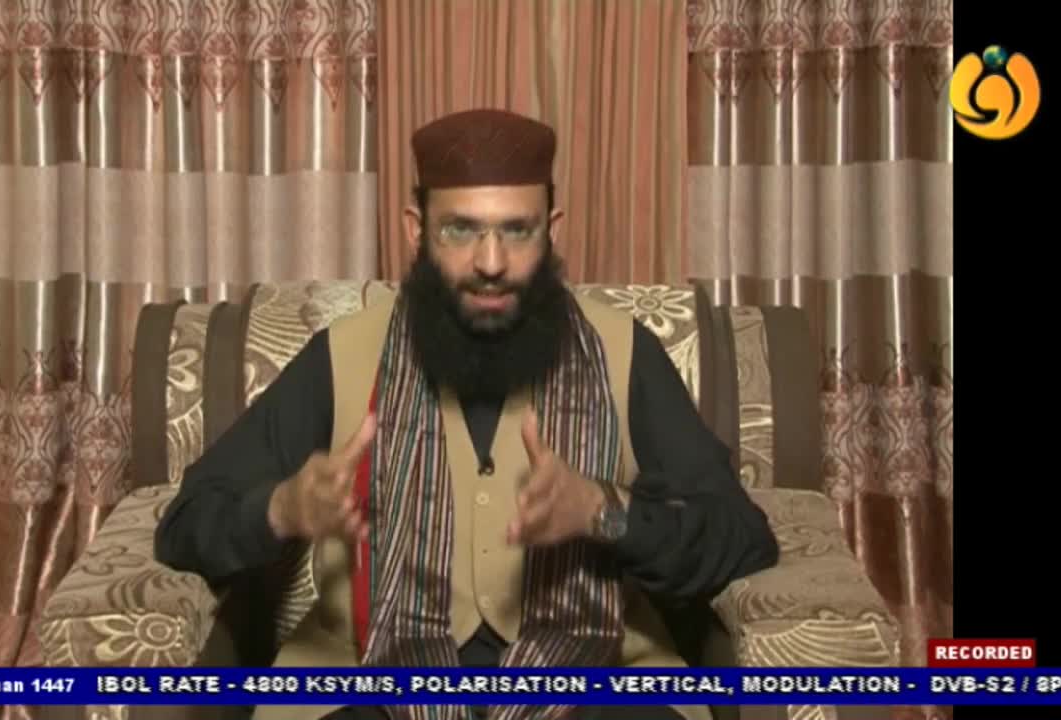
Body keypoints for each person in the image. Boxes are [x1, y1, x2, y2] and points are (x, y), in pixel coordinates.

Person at [155, 109, 779, 720]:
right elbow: (186, 523)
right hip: (367, 679)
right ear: (415, 229)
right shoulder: (342, 356)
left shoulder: (626, 353)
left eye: (517, 230)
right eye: (460, 230)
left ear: (552, 230)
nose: (490, 261)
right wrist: (282, 509)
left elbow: (741, 537)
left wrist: (604, 512)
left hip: (595, 680)